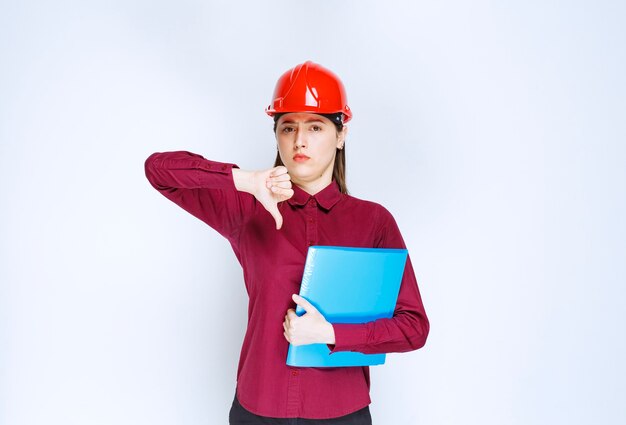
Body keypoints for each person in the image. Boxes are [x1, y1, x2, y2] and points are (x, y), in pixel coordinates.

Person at [144, 60, 429, 424]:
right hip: (259, 408)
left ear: (340, 134)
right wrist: (245, 181)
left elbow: (413, 326)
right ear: (276, 134)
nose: (299, 140)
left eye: (315, 126)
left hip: (341, 411)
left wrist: (329, 333)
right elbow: (158, 171)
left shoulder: (374, 221)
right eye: (287, 127)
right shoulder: (247, 208)